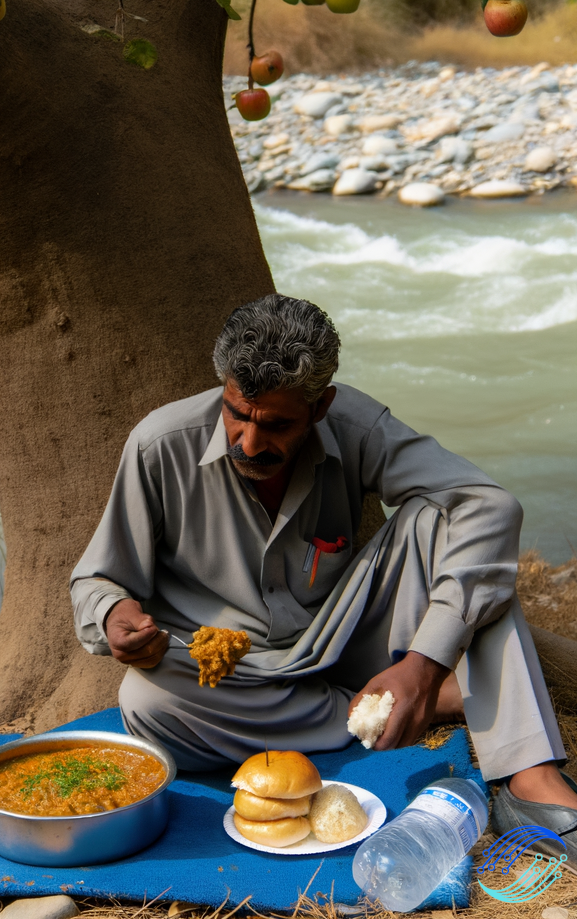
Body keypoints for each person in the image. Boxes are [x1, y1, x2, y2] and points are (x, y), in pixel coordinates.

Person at [70, 293, 577, 852]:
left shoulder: (356, 424)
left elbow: (489, 506)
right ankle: (426, 705)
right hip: (225, 680)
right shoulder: (159, 446)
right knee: (146, 704)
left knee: (454, 524)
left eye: (277, 425)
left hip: (350, 640)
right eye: (237, 414)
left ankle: (529, 774)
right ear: (223, 390)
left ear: (320, 407)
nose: (249, 442)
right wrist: (114, 616)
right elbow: (98, 581)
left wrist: (423, 664)